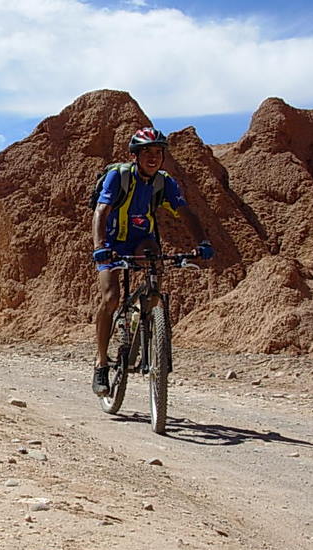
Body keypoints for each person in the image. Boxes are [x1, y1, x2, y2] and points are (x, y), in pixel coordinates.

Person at [91, 127, 214, 396]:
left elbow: (185, 212)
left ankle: (147, 323)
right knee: (111, 298)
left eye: (158, 152)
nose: (153, 157)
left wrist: (201, 242)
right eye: (147, 151)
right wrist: (100, 247)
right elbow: (101, 211)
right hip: (112, 243)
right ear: (136, 155)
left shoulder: (164, 182)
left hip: (142, 240)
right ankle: (101, 363)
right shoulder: (118, 176)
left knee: (154, 269)